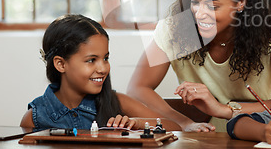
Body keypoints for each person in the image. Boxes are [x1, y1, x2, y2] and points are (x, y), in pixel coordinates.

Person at [127, 0, 271, 132]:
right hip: (209, 138)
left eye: (213, 6)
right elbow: (137, 89)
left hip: (265, 131)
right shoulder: (176, 27)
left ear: (241, 3)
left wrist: (224, 110)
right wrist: (183, 123)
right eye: (195, 1)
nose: (199, 13)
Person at [20, 14, 181, 131]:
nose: (103, 68)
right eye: (91, 60)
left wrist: (137, 123)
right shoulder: (33, 118)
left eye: (105, 58)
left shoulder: (118, 102)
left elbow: (175, 128)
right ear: (61, 64)